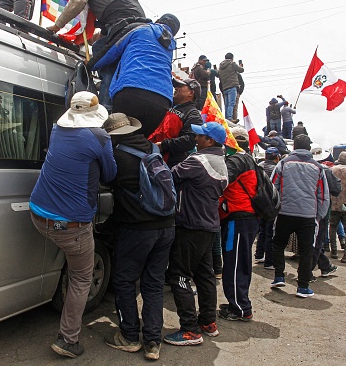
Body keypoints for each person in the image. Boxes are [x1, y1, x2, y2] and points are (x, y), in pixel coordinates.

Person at [29, 91, 117, 358]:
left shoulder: (57, 129)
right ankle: (68, 339)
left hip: (37, 215)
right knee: (81, 277)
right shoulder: (100, 137)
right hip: (71, 227)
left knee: (65, 249)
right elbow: (111, 174)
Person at [101, 113, 175, 361]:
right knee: (153, 283)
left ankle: (130, 336)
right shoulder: (152, 148)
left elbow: (108, 185)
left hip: (137, 229)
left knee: (124, 281)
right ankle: (153, 341)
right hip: (166, 226)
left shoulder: (118, 157)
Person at [165, 122, 228, 346]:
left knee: (179, 275)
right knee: (205, 276)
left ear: (210, 141)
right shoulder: (221, 161)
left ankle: (190, 329)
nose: (196, 138)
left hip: (191, 226)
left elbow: (171, 174)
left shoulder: (197, 160)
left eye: (201, 136)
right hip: (209, 226)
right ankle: (208, 322)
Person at [46, 0, 146, 111]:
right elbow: (104, 33)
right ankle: (111, 97)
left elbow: (78, 1)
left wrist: (58, 25)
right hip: (137, 28)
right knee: (106, 52)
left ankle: (106, 106)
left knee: (104, 58)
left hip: (124, 25)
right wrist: (81, 39)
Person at [91, 14, 181, 138]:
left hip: (132, 90)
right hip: (162, 102)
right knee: (137, 142)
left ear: (158, 21)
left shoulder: (141, 29)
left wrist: (90, 65)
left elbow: (112, 50)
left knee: (114, 138)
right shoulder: (171, 46)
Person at [270, 134, 329, 298]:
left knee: (278, 245)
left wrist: (275, 209)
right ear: (309, 148)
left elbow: (272, 187)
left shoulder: (283, 163)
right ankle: (303, 287)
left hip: (284, 213)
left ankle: (279, 276)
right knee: (306, 251)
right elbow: (323, 195)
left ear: (294, 146)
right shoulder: (318, 168)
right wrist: (318, 216)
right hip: (308, 216)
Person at [217, 129, 260, 322]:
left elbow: (221, 181)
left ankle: (240, 308)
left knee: (235, 264)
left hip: (239, 217)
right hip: (244, 218)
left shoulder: (237, 160)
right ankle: (238, 303)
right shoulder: (247, 158)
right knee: (238, 262)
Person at [152, 78, 203, 168]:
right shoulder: (168, 104)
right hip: (152, 155)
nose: (176, 87)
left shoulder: (193, 114)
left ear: (191, 93)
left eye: (180, 86)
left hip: (168, 164)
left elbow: (190, 140)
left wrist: (163, 145)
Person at [254, 147, 280, 269]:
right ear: (277, 157)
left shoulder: (258, 166)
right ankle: (269, 261)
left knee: (261, 230)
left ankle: (259, 254)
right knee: (270, 232)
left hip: (257, 203)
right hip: (270, 204)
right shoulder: (277, 168)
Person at [218, 53, 244, 120]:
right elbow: (241, 70)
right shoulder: (232, 64)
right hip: (232, 86)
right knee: (231, 104)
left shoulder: (220, 67)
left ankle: (227, 118)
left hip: (224, 87)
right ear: (232, 58)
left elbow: (218, 75)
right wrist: (240, 66)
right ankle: (229, 118)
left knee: (226, 105)